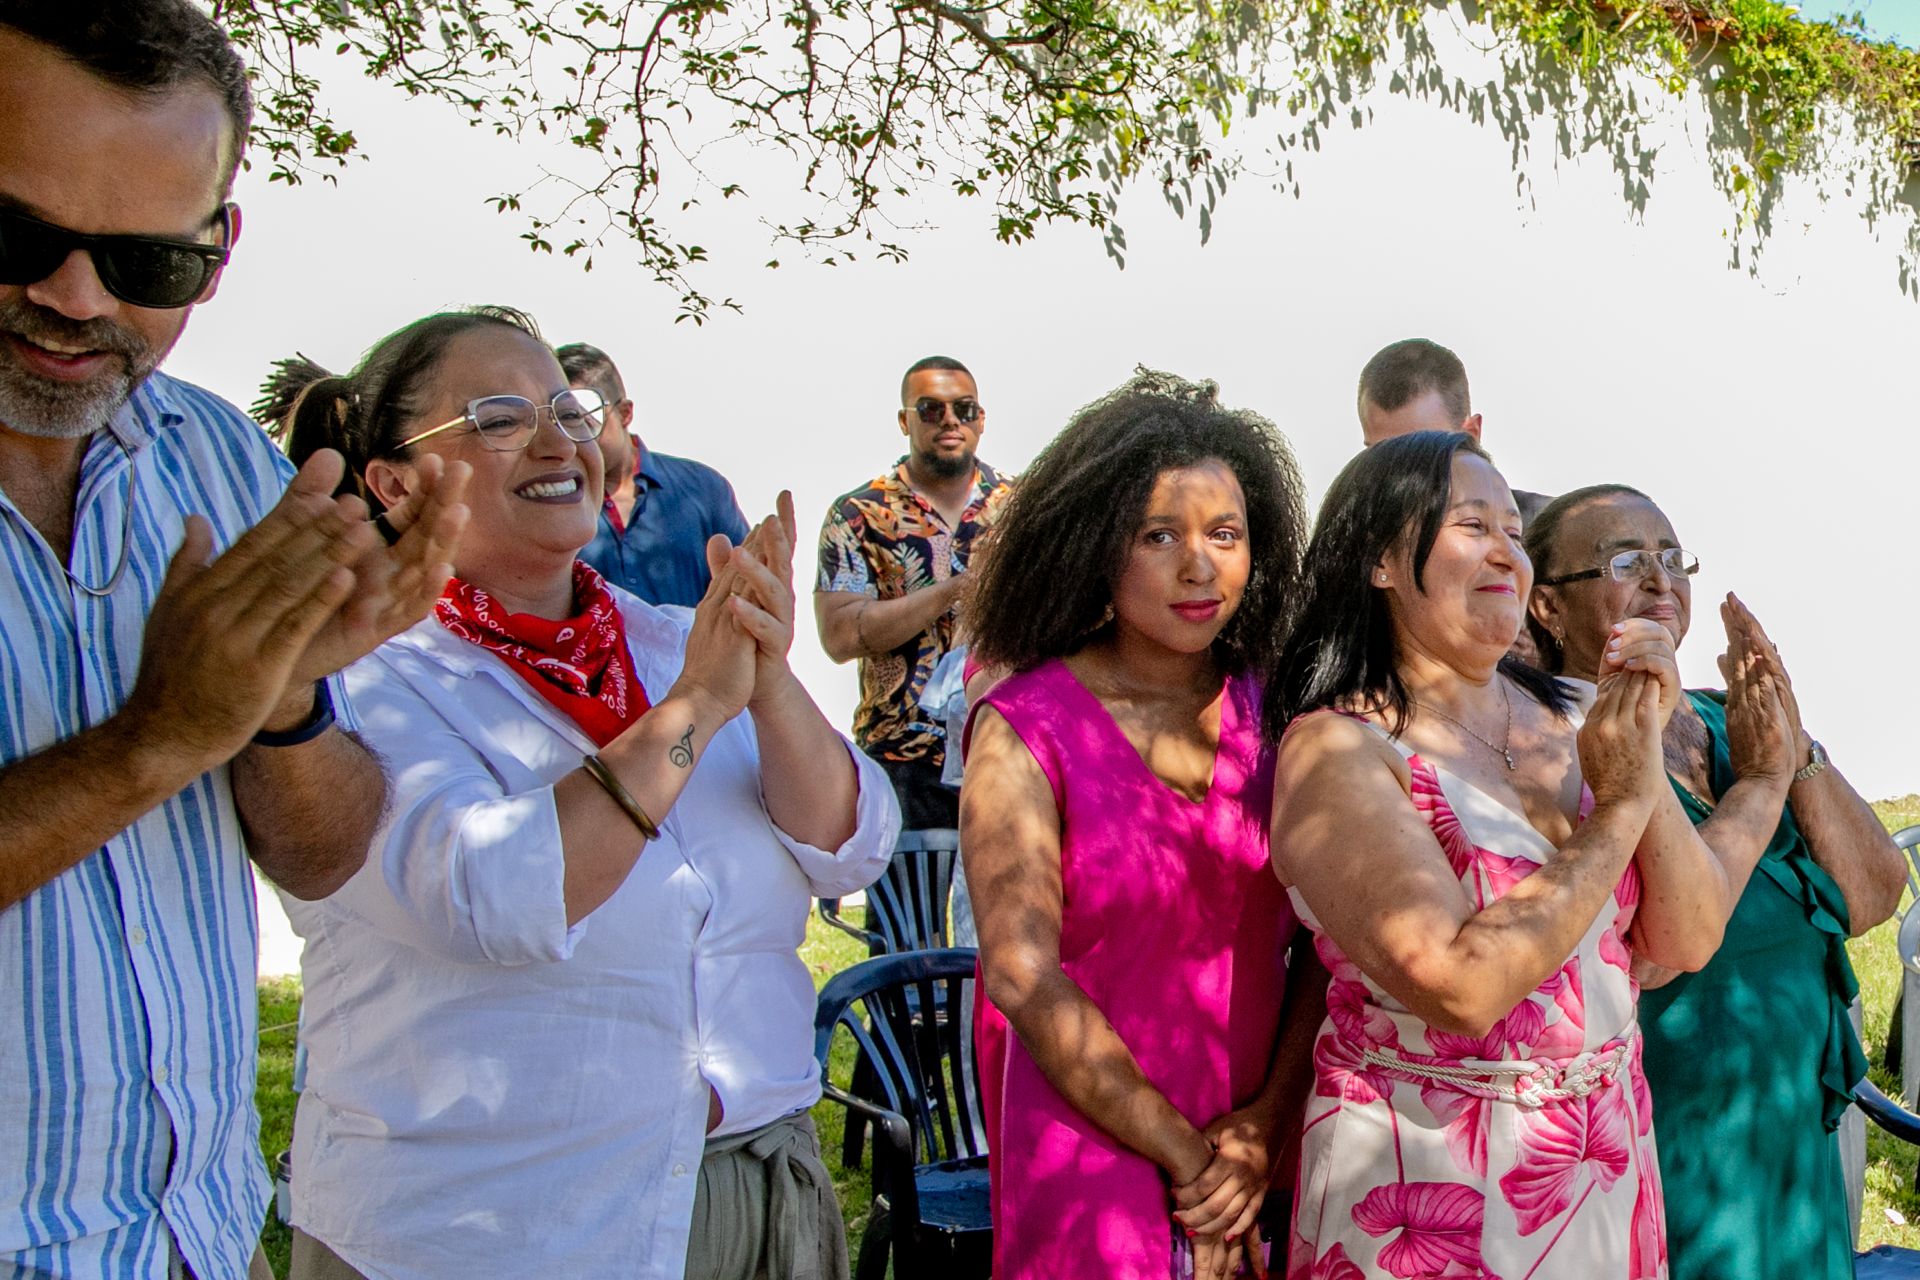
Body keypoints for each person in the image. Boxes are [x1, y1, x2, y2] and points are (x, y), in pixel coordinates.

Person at [274, 305, 897, 1280]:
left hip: (751, 1189)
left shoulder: (663, 637)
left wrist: (768, 680)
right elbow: (499, 891)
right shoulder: (362, 676)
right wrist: (696, 705)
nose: (559, 435)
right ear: (394, 481)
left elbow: (850, 843)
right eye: (496, 416)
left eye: (569, 406)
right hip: (496, 1223)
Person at [0, 8, 469, 1278]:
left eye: (147, 264)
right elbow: (162, 745)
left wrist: (286, 697)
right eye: (16, 234)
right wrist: (156, 737)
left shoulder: (218, 460)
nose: (73, 295)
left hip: (198, 1240)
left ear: (219, 248)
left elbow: (319, 852)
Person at [1266, 430, 1737, 1279]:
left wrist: (1646, 772)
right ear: (1379, 558)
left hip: (1603, 1169)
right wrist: (1622, 806)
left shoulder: (1578, 716)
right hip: (1428, 1186)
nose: (1505, 551)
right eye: (1470, 525)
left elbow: (1687, 939)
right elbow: (1460, 984)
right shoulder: (1339, 751)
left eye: (1514, 534)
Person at [963, 370, 1326, 1280]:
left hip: (1259, 1145)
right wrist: (1189, 1158)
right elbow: (1020, 973)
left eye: (1225, 535)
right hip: (1089, 1151)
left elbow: (1331, 947)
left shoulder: (1286, 717)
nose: (1198, 567)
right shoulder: (1024, 726)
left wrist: (1258, 1136)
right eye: (1158, 535)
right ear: (1096, 548)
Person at [1525, 484, 1905, 1280]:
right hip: (1678, 1149)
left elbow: (1875, 894)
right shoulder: (1552, 752)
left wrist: (1789, 748)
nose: (1662, 580)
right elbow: (1654, 956)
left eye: (1674, 558)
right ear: (1546, 609)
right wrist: (1755, 789)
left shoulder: (1731, 719)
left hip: (1791, 1148)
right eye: (1626, 561)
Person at [815, 354, 1012, 828]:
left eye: (963, 410)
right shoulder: (859, 513)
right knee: (903, 905)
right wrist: (954, 591)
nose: (949, 421)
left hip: (1003, 745)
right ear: (905, 420)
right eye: (931, 410)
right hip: (898, 756)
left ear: (981, 420)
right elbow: (840, 637)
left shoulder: (1020, 509)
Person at [556, 341, 751, 606]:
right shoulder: (552, 501)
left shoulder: (703, 489)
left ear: (625, 414)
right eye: (562, 424)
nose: (575, 440)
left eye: (586, 422)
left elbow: (750, 590)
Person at [1356, 337, 1550, 526]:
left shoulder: (1549, 537)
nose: (1400, 474)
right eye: (1380, 455)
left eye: (1423, 451)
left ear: (1471, 436)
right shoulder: (1353, 541)